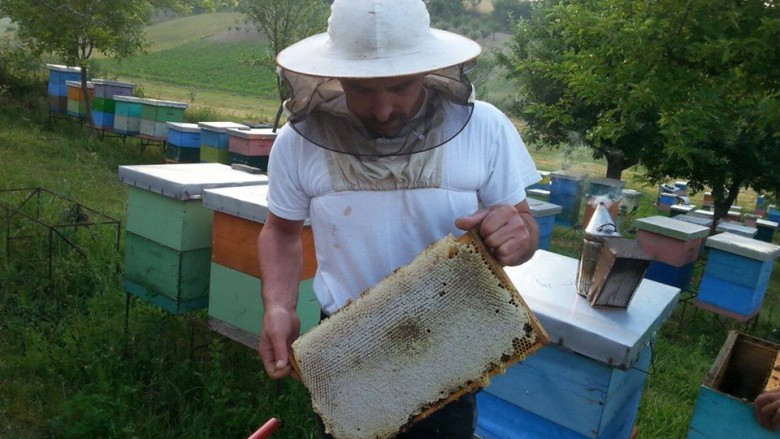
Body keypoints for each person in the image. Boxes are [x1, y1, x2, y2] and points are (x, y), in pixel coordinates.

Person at [257, 0, 541, 437]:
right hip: (345, 345)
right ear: (337, 76)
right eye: (364, 90)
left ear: (428, 71)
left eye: (401, 86)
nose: (384, 109)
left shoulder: (485, 127)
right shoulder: (298, 143)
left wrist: (517, 238)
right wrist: (279, 305)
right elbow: (281, 231)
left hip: (450, 335)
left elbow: (524, 228)